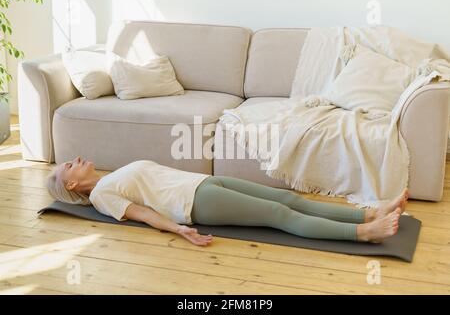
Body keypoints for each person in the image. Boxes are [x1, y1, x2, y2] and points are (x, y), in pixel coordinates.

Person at [46, 156, 408, 247]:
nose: (74, 159)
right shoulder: (101, 195)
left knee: (286, 196)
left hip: (203, 182)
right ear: (74, 184)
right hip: (195, 203)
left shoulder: (108, 177)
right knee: (278, 213)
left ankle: (368, 211)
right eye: (67, 166)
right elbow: (141, 213)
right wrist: (180, 230)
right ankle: (363, 233)